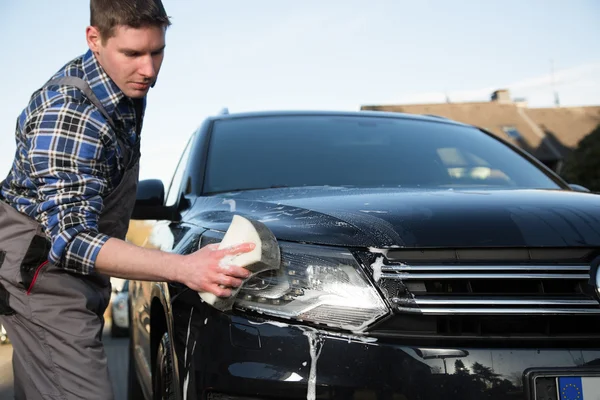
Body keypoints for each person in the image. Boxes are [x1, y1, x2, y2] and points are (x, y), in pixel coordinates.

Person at [0, 1, 254, 399]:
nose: (149, 70)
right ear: (94, 39)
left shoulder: (124, 86)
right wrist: (183, 268)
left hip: (69, 273)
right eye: (133, 53)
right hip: (44, 277)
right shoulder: (71, 114)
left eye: (158, 51)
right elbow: (71, 241)